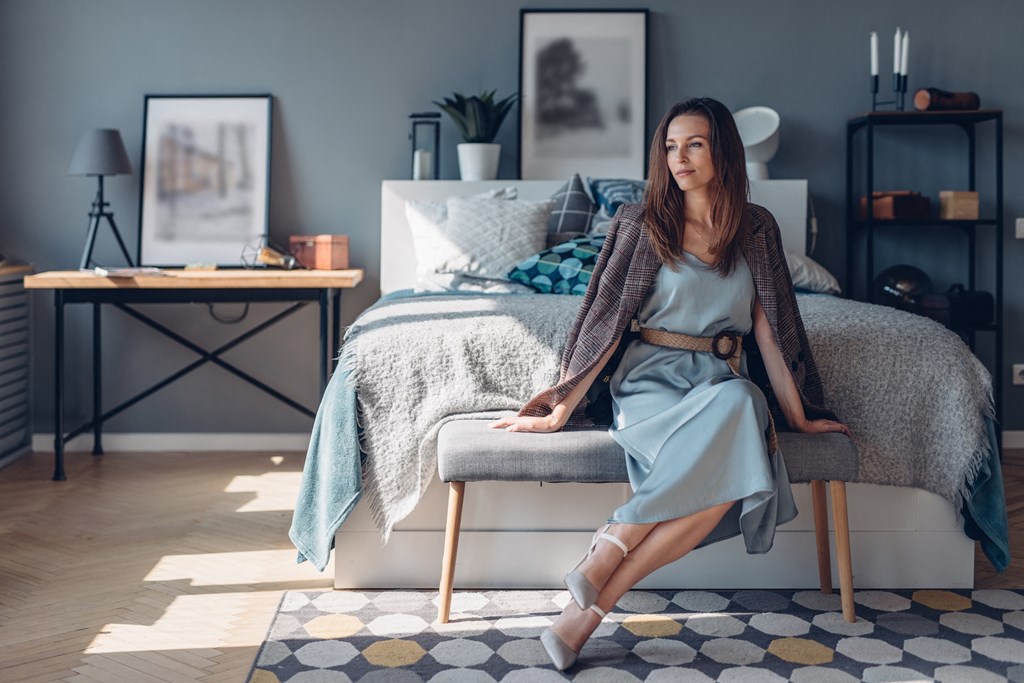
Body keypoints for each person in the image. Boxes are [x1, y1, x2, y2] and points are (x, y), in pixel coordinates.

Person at [490, 97, 852, 671]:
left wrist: (802, 414)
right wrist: (560, 407)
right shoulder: (641, 222)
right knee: (732, 461)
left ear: (723, 151)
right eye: (670, 146)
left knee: (740, 402)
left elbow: (773, 332)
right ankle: (602, 567)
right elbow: (606, 322)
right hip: (650, 385)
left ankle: (594, 589)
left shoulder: (756, 229)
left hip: (718, 384)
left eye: (695, 144)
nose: (678, 157)